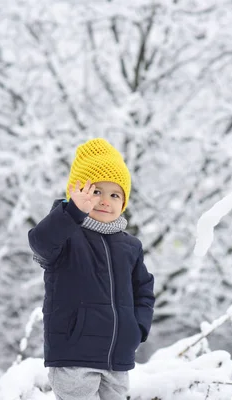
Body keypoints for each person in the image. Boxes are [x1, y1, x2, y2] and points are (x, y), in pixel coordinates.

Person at [28, 138, 155, 400]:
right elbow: (40, 242)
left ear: (124, 201)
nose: (105, 201)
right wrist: (72, 212)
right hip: (74, 354)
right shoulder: (66, 236)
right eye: (96, 192)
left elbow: (144, 291)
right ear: (77, 193)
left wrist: (137, 328)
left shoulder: (130, 246)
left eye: (114, 194)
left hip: (117, 357)